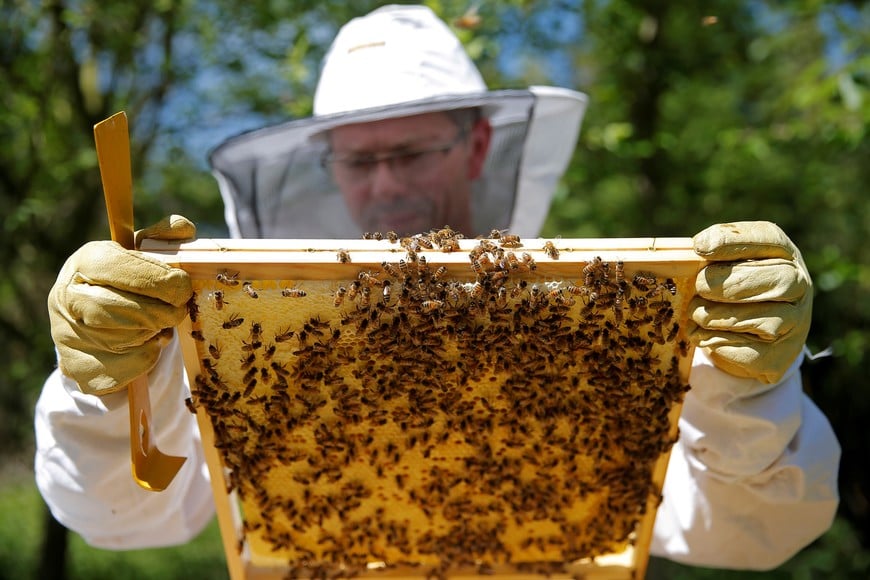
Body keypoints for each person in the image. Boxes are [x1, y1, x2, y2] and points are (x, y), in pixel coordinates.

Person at [35, 4, 839, 572]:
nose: (384, 185)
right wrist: (110, 389)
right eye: (357, 159)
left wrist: (740, 391)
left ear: (476, 143)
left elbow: (752, 537)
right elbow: (119, 520)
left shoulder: (589, 317)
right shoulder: (260, 328)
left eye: (411, 151)